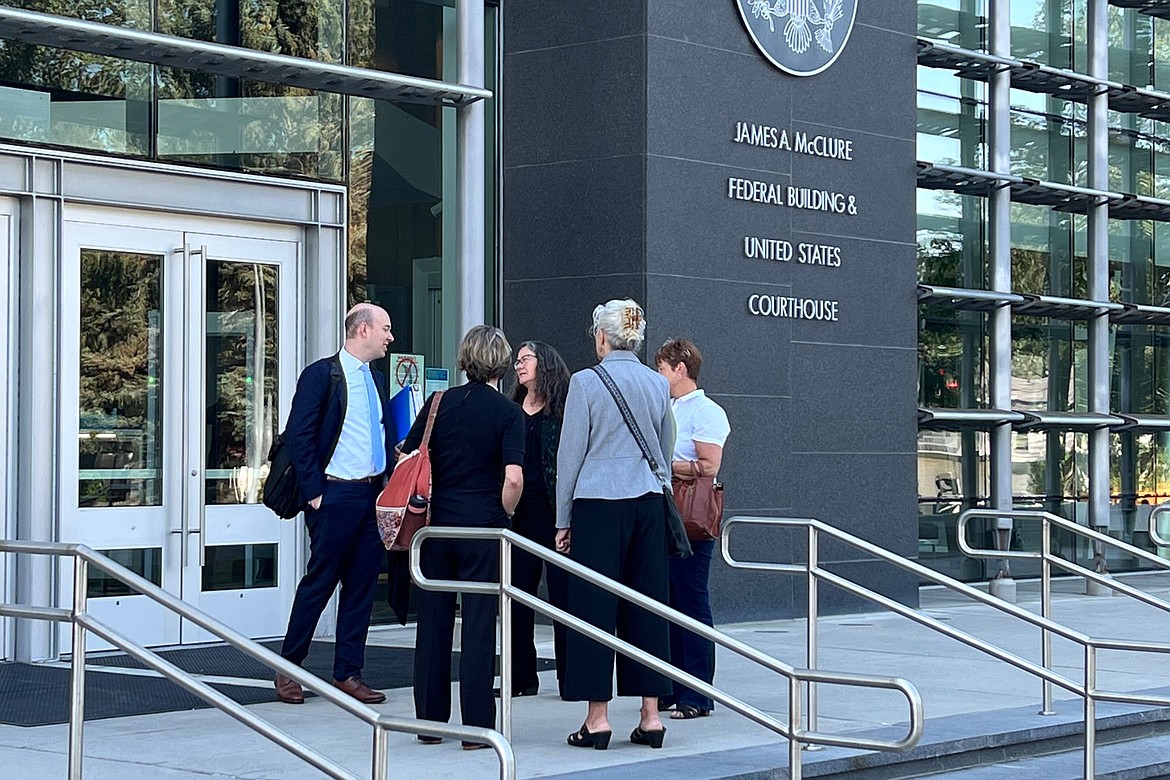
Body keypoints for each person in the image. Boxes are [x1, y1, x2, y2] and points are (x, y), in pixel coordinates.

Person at [556, 298, 675, 751]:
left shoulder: (586, 382)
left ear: (602, 337)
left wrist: (562, 518)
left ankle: (598, 718)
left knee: (593, 607)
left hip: (598, 502)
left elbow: (571, 455)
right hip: (646, 499)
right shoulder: (657, 383)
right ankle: (650, 715)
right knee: (648, 603)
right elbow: (665, 448)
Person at [409, 325, 525, 749]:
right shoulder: (507, 413)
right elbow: (513, 478)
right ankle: (476, 727)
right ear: (503, 363)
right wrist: (504, 512)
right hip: (482, 528)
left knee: (434, 623)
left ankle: (429, 722)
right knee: (478, 624)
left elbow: (408, 455)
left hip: (435, 529)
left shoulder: (439, 402)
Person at [275, 303, 395, 706]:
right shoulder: (321, 374)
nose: (389, 337)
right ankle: (289, 668)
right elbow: (299, 435)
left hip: (369, 495)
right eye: (385, 329)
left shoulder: (377, 380)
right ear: (362, 330)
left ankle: (348, 672)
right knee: (320, 581)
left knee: (361, 585)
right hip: (334, 494)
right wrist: (314, 492)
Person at [655, 338, 731, 720]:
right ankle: (671, 685)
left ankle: (698, 691)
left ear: (680, 369)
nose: (659, 376)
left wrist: (667, 465)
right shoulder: (667, 408)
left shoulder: (706, 411)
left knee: (691, 598)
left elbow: (709, 465)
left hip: (692, 518)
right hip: (665, 512)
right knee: (668, 598)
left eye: (663, 369)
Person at [508, 340, 571, 697]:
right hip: (519, 513)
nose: (518, 365)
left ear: (544, 363)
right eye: (516, 360)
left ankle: (568, 677)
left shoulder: (563, 409)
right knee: (518, 596)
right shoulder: (513, 407)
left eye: (525, 359)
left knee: (563, 597)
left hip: (555, 513)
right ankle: (521, 678)